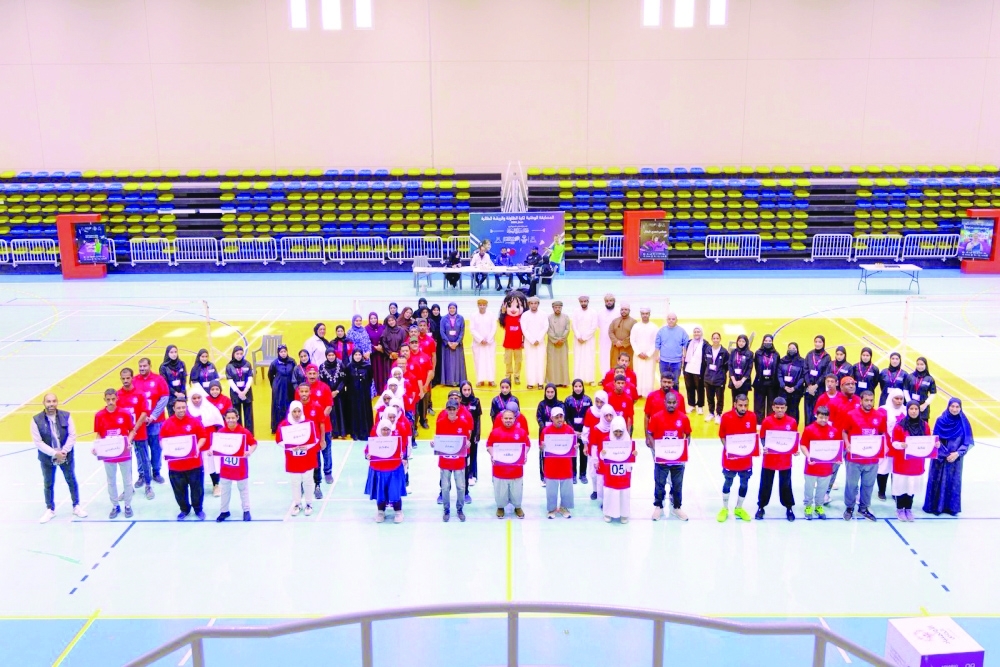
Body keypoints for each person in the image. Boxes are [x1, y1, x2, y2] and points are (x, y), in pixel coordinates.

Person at [32, 394, 87, 523]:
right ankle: (50, 509)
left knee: (71, 479)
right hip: (47, 458)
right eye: (48, 401)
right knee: (48, 482)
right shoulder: (36, 420)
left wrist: (63, 452)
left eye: (54, 401)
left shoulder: (66, 416)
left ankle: (76, 506)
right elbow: (38, 442)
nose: (51, 404)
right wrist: (53, 453)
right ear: (44, 403)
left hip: (65, 455)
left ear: (57, 402)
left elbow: (72, 435)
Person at [160, 398, 208, 520]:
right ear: (173, 409)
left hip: (194, 464)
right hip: (176, 466)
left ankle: (198, 509)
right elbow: (161, 440)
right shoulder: (167, 423)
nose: (181, 410)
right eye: (179, 408)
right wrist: (166, 449)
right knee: (179, 491)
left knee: (197, 489)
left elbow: (203, 437)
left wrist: (196, 448)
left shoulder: (194, 421)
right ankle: (184, 509)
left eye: (183, 407)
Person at [924, 397, 974, 516]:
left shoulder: (964, 422)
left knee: (953, 481)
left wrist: (957, 453)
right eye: (952, 406)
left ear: (960, 408)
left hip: (955, 459)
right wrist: (945, 453)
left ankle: (951, 508)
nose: (954, 409)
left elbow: (968, 441)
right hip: (940, 458)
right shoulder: (941, 420)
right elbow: (935, 439)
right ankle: (935, 507)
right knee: (937, 480)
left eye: (957, 407)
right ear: (948, 406)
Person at [843, 390, 887, 522]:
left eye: (871, 400)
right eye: (866, 400)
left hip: (872, 458)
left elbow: (883, 433)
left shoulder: (880, 415)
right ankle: (849, 507)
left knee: (868, 485)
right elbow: (844, 431)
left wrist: (884, 447)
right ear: (860, 401)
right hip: (854, 458)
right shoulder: (851, 415)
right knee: (851, 484)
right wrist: (847, 444)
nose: (869, 403)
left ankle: (864, 508)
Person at [646, 392, 691, 521]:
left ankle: (677, 507)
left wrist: (684, 450)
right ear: (664, 402)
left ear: (677, 403)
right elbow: (650, 434)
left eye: (673, 403)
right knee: (659, 483)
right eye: (669, 402)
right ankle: (658, 507)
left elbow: (687, 435)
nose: (671, 405)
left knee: (677, 484)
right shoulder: (656, 417)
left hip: (678, 460)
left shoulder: (683, 418)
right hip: (662, 459)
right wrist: (656, 450)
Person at [93, 388, 137, 519]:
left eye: (113, 399)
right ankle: (115, 505)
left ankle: (128, 505)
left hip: (123, 451)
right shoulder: (99, 415)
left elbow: (132, 430)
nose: (111, 402)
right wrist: (96, 446)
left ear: (117, 398)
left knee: (127, 481)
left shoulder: (125, 413)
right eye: (108, 400)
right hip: (108, 453)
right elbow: (99, 434)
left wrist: (128, 442)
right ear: (104, 400)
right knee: (111, 481)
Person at [276, 400, 322, 516]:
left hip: (308, 458)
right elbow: (279, 440)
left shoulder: (308, 423)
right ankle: (297, 504)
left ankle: (309, 503)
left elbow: (315, 438)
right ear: (290, 412)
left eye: (299, 411)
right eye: (294, 411)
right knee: (295, 482)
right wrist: (291, 448)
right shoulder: (284, 425)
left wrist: (306, 446)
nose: (297, 414)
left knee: (308, 481)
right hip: (293, 459)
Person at [756, 396, 798, 521]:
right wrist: (765, 446)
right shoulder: (767, 421)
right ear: (773, 407)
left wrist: (795, 449)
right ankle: (761, 507)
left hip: (785, 460)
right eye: (777, 407)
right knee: (765, 484)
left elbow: (794, 438)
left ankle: (789, 507)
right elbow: (762, 437)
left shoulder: (792, 422)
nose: (780, 410)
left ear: (786, 408)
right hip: (770, 459)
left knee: (786, 484)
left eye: (782, 408)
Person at [717, 394, 758, 522]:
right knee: (728, 482)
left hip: (745, 460)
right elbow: (722, 436)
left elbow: (752, 437)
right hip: (730, 459)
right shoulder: (726, 417)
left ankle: (739, 508)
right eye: (740, 405)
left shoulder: (752, 416)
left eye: (745, 405)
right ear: (735, 404)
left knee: (744, 483)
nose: (743, 408)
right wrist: (730, 450)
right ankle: (724, 508)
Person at [889, 400, 930, 522]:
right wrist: (901, 445)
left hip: (916, 463)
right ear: (907, 410)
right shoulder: (900, 425)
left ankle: (908, 509)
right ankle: (899, 509)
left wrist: (935, 444)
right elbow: (894, 442)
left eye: (916, 409)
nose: (913, 411)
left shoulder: (924, 426)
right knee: (901, 486)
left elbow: (928, 440)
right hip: (902, 462)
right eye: (911, 409)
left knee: (911, 486)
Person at [487, 408, 531, 519]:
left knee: (517, 491)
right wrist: (492, 454)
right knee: (500, 491)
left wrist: (524, 454)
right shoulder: (495, 432)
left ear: (514, 419)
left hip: (516, 469)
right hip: (500, 469)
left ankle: (517, 507)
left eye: (510, 418)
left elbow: (527, 445)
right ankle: (500, 507)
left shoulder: (521, 432)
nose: (508, 420)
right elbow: (489, 445)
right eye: (506, 418)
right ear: (501, 419)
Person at [215, 408, 257, 522]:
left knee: (243, 489)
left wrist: (249, 451)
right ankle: (224, 511)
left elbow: (253, 443)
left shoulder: (244, 432)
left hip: (240, 468)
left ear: (237, 418)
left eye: (233, 418)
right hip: (226, 468)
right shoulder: (221, 433)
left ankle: (246, 510)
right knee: (225, 490)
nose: (231, 420)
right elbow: (215, 447)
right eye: (228, 418)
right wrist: (211, 451)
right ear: (225, 419)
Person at [117, 367, 153, 499]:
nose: (126, 381)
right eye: (123, 378)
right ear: (120, 379)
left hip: (140, 432)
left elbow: (144, 413)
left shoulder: (140, 394)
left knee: (144, 459)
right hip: (124, 435)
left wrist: (134, 430)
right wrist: (126, 433)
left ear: (132, 378)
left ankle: (148, 485)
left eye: (128, 378)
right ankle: (128, 488)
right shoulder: (118, 395)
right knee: (126, 461)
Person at [825, 375, 862, 504]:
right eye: (848, 384)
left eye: (853, 383)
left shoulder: (859, 401)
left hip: (855, 442)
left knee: (854, 471)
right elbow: (827, 423)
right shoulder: (833, 402)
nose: (851, 386)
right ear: (841, 386)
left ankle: (855, 494)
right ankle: (825, 493)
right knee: (832, 469)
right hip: (837, 442)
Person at [435, 398, 472, 522]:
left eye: (453, 409)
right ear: (446, 410)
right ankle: (446, 509)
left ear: (458, 410)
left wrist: (468, 443)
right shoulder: (440, 422)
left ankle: (460, 509)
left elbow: (467, 440)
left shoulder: (463, 423)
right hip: (445, 461)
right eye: (449, 409)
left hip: (458, 461)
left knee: (461, 487)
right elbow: (438, 439)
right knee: (445, 487)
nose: (451, 411)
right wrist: (433, 443)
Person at [134, 357, 168, 487]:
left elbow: (164, 398)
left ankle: (156, 472)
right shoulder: (134, 380)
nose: (142, 368)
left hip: (156, 422)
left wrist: (153, 416)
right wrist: (141, 418)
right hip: (140, 423)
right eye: (140, 366)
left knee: (156, 449)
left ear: (150, 366)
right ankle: (142, 474)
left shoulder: (159, 380)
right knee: (140, 451)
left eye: (144, 366)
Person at [800, 406, 839, 520]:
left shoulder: (833, 431)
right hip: (811, 467)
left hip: (826, 468)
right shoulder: (809, 429)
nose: (823, 420)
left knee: (822, 489)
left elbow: (836, 447)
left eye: (825, 418)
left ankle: (819, 506)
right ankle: (808, 506)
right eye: (821, 417)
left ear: (828, 418)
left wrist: (837, 458)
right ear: (816, 416)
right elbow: (803, 445)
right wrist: (808, 456)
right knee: (809, 488)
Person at [366, 418, 407, 523]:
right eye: (383, 429)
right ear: (380, 429)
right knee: (380, 493)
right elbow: (367, 450)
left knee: (395, 491)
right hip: (378, 470)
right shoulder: (374, 440)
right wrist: (367, 455)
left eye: (388, 429)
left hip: (394, 470)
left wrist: (401, 454)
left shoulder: (395, 440)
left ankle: (398, 512)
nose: (386, 431)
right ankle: (380, 511)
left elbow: (401, 450)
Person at [188, 383, 224, 497]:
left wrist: (216, 444)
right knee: (196, 467)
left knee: (212, 465)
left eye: (199, 397)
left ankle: (216, 485)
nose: (197, 400)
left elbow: (220, 426)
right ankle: (198, 487)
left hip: (210, 442)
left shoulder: (211, 409)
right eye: (194, 398)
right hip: (195, 443)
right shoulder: (187, 410)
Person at [540, 407, 576, 518]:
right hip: (551, 465)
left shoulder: (569, 430)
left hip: (565, 465)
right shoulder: (546, 431)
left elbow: (573, 446)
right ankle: (551, 509)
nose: (559, 419)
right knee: (551, 489)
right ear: (551, 418)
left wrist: (575, 447)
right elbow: (541, 447)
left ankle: (564, 507)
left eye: (561, 416)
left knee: (566, 488)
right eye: (556, 417)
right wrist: (542, 447)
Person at [600, 416, 635, 523]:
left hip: (624, 474)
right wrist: (603, 453)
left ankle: (624, 514)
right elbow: (601, 456)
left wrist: (634, 454)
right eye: (616, 432)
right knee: (610, 492)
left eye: (621, 431)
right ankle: (608, 513)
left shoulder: (628, 441)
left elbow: (632, 456)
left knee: (624, 493)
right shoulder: (607, 440)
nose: (618, 434)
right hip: (610, 474)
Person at [878, 388, 907, 500]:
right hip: (886, 444)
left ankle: (896, 492)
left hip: (900, 445)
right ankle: (881, 491)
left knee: (897, 469)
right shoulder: (883, 410)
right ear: (891, 398)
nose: (899, 401)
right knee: (884, 468)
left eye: (901, 399)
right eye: (896, 398)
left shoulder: (906, 410)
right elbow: (879, 428)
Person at [563, 379, 592, 484]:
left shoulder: (588, 400)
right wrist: (573, 430)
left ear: (583, 387)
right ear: (573, 387)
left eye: (580, 386)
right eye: (576, 386)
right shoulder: (568, 400)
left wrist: (584, 431)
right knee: (573, 454)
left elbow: (590, 416)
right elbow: (566, 417)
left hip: (584, 432)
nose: (578, 388)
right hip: (572, 432)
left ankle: (583, 474)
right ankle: (573, 474)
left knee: (584, 453)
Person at [587, 404, 617, 504]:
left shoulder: (617, 428)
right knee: (601, 481)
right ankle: (604, 501)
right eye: (606, 416)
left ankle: (612, 501)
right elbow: (594, 446)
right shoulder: (597, 429)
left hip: (613, 460)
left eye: (610, 415)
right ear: (602, 416)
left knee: (613, 480)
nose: (609, 418)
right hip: (601, 460)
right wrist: (595, 460)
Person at [536, 384, 564, 484]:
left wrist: (553, 426)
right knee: (543, 454)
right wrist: (545, 428)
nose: (550, 394)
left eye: (552, 392)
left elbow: (562, 417)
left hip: (557, 433)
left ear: (555, 392)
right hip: (544, 433)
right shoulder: (541, 404)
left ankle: (556, 474)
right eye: (548, 392)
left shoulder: (560, 404)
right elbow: (539, 417)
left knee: (556, 453)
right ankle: (544, 477)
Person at [344, 349, 374, 441]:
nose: (357, 356)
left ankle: (365, 433)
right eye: (355, 354)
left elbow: (370, 379)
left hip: (364, 394)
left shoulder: (367, 366)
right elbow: (347, 381)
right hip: (353, 395)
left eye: (359, 354)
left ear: (362, 356)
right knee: (354, 413)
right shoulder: (349, 367)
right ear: (352, 356)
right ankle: (355, 433)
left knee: (364, 412)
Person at [267, 344, 297, 435]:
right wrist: (275, 385)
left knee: (290, 404)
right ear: (278, 353)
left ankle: (290, 424)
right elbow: (270, 375)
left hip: (290, 386)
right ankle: (277, 426)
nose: (283, 354)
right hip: (279, 388)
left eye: (285, 351)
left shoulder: (292, 361)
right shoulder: (274, 363)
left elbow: (295, 372)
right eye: (281, 352)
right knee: (278, 405)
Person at [802, 335, 831, 426]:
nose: (817, 344)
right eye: (816, 342)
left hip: (819, 388)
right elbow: (805, 370)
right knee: (807, 410)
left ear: (823, 343)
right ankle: (808, 429)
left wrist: (816, 385)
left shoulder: (827, 357)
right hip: (809, 388)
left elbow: (825, 373)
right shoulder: (809, 354)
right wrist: (809, 385)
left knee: (817, 410)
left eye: (820, 342)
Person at [319, 348, 347, 439]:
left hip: (340, 394)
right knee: (331, 413)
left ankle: (342, 432)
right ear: (326, 356)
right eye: (329, 355)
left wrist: (337, 391)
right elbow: (322, 382)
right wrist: (329, 392)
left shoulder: (340, 364)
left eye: (332, 355)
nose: (331, 357)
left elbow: (343, 380)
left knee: (341, 412)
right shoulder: (322, 367)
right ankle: (333, 433)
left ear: (335, 355)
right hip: (328, 395)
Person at [225, 346, 254, 434]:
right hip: (235, 392)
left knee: (248, 414)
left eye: (241, 354)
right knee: (236, 413)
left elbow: (250, 378)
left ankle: (249, 433)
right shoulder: (229, 366)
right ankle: (239, 432)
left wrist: (245, 391)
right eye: (237, 354)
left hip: (246, 392)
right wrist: (239, 392)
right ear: (233, 354)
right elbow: (230, 381)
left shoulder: (247, 364)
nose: (239, 356)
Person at [630, 307, 659, 395]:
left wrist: (649, 353)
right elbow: (632, 340)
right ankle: (638, 392)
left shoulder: (654, 327)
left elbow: (656, 342)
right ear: (641, 314)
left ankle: (648, 393)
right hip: (638, 355)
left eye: (646, 313)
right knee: (638, 373)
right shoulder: (636, 326)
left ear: (649, 314)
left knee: (649, 373)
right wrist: (638, 353)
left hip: (649, 356)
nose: (645, 315)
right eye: (643, 313)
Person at [570, 296, 599, 384]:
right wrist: (578, 336)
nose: (583, 303)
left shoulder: (593, 312)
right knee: (578, 359)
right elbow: (573, 325)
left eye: (585, 301)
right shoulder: (576, 311)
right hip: (578, 339)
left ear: (588, 301)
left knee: (589, 358)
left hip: (589, 340)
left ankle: (590, 379)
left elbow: (594, 326)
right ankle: (578, 379)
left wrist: (585, 337)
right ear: (579, 302)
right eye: (581, 301)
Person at [521, 296, 548, 389]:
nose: (533, 305)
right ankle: (531, 382)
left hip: (540, 343)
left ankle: (540, 382)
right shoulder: (525, 315)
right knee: (530, 362)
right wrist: (532, 340)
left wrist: (538, 339)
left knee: (540, 362)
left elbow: (545, 327)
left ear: (538, 304)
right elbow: (524, 329)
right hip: (529, 343)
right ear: (529, 304)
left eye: (535, 303)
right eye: (531, 303)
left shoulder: (543, 314)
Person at [459, 381, 483, 488]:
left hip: (472, 434)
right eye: (464, 390)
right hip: (462, 434)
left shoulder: (476, 401)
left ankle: (473, 474)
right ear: (461, 390)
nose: (467, 392)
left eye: (469, 389)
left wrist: (477, 433)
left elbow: (478, 419)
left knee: (473, 454)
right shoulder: (458, 402)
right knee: (463, 455)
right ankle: (463, 474)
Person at [653, 312, 688, 383]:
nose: (671, 320)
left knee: (675, 382)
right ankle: (665, 395)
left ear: (676, 320)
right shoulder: (661, 331)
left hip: (677, 362)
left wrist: (684, 356)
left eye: (673, 319)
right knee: (664, 382)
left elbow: (686, 345)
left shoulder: (682, 331)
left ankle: (674, 394)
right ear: (667, 320)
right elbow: (657, 344)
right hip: (663, 362)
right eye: (669, 319)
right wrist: (656, 356)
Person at [499, 292, 526, 385]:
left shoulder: (523, 318)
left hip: (518, 344)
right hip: (508, 344)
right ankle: (508, 375)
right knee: (508, 361)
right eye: (510, 305)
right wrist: (503, 312)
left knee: (518, 361)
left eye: (518, 306)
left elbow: (525, 330)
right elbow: (501, 321)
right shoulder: (506, 317)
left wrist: (524, 341)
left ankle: (517, 376)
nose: (514, 309)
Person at [702, 332, 729, 424]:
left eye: (717, 338)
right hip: (708, 378)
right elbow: (705, 362)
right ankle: (711, 413)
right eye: (714, 338)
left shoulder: (724, 352)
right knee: (710, 397)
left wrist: (720, 374)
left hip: (719, 379)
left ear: (720, 339)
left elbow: (726, 366)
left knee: (719, 398)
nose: (715, 340)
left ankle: (718, 414)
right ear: (711, 339)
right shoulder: (708, 350)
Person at [752, 334, 779, 422]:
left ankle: (769, 421)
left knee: (771, 404)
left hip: (772, 383)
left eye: (769, 341)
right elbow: (756, 366)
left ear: (772, 342)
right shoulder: (758, 353)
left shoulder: (776, 354)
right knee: (759, 404)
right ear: (763, 341)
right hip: (760, 383)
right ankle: (759, 422)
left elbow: (777, 367)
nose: (767, 342)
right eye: (766, 341)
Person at [471, 299, 497, 387]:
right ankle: (480, 380)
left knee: (490, 361)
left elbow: (494, 328)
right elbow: (472, 329)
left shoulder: (491, 315)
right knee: (478, 361)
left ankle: (491, 380)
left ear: (486, 306)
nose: (482, 306)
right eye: (480, 305)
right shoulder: (474, 316)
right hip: (478, 343)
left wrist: (488, 339)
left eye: (484, 305)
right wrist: (481, 339)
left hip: (489, 343)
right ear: (477, 306)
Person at [439, 303, 467, 386]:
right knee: (448, 363)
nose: (452, 309)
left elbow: (462, 331)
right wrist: (448, 342)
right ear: (448, 309)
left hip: (457, 346)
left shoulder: (461, 318)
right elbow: (442, 331)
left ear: (456, 309)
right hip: (447, 346)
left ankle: (459, 380)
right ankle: (448, 381)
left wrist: (457, 342)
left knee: (458, 363)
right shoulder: (444, 319)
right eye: (450, 308)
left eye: (453, 308)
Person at [777, 342, 805, 423]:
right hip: (783, 390)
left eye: (794, 348)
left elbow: (803, 376)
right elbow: (779, 374)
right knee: (783, 409)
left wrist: (795, 388)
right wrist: (783, 386)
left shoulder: (802, 361)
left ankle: (793, 427)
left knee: (794, 409)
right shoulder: (782, 360)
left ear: (797, 349)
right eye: (790, 348)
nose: (791, 350)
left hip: (796, 391)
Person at [545, 301, 571, 386]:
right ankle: (552, 382)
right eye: (556, 307)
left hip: (563, 344)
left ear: (561, 308)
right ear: (553, 308)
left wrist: (561, 339)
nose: (557, 309)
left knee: (563, 362)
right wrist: (555, 340)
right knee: (552, 363)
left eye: (559, 307)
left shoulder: (566, 317)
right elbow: (548, 330)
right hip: (552, 344)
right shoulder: (549, 318)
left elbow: (567, 329)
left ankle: (564, 381)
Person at [681, 326, 706, 415]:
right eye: (695, 332)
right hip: (688, 369)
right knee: (689, 387)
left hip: (698, 370)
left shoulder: (705, 344)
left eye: (698, 332)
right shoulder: (689, 343)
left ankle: (700, 406)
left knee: (700, 389)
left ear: (701, 333)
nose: (696, 333)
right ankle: (691, 405)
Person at [160, 344, 188, 416]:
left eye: (175, 352)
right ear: (167, 353)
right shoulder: (163, 367)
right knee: (173, 417)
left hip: (182, 394)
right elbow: (165, 383)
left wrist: (182, 392)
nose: (174, 354)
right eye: (171, 352)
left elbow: (184, 380)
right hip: (171, 396)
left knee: (184, 415)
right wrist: (175, 393)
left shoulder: (182, 364)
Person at [608, 304, 637, 371]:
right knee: (614, 365)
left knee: (627, 366)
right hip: (615, 347)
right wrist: (616, 341)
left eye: (625, 310)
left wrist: (623, 343)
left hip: (627, 348)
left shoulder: (633, 322)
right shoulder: (615, 321)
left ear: (629, 311)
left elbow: (634, 335)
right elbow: (610, 332)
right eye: (622, 309)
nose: (623, 311)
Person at [728, 334, 753, 407]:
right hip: (734, 382)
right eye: (739, 341)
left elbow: (749, 368)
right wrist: (734, 381)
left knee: (743, 402)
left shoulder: (750, 354)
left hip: (744, 382)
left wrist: (741, 381)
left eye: (743, 341)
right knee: (734, 401)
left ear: (746, 343)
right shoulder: (733, 352)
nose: (741, 343)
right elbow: (730, 366)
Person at [366, 312, 389, 394]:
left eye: (375, 318)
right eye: (371, 318)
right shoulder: (366, 329)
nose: (373, 320)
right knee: (375, 372)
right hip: (373, 355)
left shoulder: (382, 327)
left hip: (382, 354)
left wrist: (382, 347)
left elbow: (386, 338)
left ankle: (384, 389)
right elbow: (366, 342)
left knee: (383, 372)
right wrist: (374, 348)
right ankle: (377, 391)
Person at [598, 294, 618, 371]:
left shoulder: (618, 312)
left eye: (610, 301)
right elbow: (599, 325)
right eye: (607, 301)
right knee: (603, 358)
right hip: (603, 340)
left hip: (615, 340)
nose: (609, 302)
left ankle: (614, 376)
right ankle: (604, 377)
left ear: (614, 301)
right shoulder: (600, 313)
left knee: (615, 357)